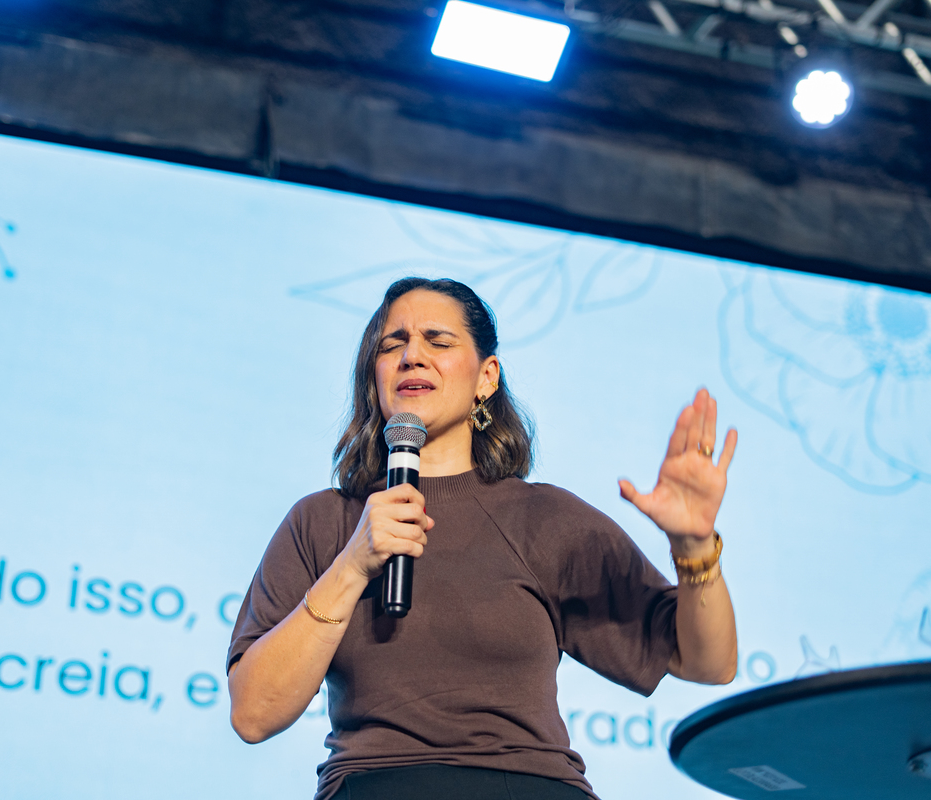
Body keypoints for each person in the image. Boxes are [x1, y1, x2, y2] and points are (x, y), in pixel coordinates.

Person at [227, 277, 739, 800]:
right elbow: (253, 713)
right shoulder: (322, 522)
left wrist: (694, 546)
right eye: (392, 344)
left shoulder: (544, 518)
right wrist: (353, 565)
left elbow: (708, 662)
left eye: (438, 341)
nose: (411, 356)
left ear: (486, 377)